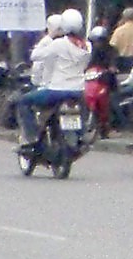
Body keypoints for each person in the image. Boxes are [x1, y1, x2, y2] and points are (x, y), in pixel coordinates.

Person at [18, 11, 93, 153]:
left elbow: (35, 56)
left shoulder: (59, 44)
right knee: (79, 113)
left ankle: (31, 136)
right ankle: (80, 134)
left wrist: (49, 37)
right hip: (78, 91)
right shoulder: (87, 46)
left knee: (24, 101)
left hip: (57, 91)